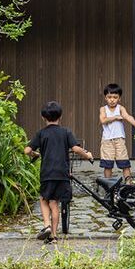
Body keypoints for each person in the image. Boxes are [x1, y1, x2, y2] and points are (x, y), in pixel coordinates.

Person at [25, 100, 93, 242]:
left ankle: (46, 225)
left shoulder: (41, 133)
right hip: (62, 173)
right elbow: (75, 148)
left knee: (44, 199)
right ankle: (54, 236)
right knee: (55, 203)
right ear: (60, 117)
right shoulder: (66, 132)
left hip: (47, 173)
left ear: (43, 117)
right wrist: (87, 155)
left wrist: (35, 154)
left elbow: (27, 150)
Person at [97, 83, 135, 182]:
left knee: (125, 163)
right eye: (109, 97)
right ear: (105, 98)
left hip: (119, 140)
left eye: (115, 97)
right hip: (107, 141)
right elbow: (103, 120)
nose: (112, 99)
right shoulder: (103, 109)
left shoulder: (120, 108)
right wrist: (115, 117)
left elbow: (128, 116)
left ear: (119, 98)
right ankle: (108, 186)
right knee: (107, 164)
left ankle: (129, 184)